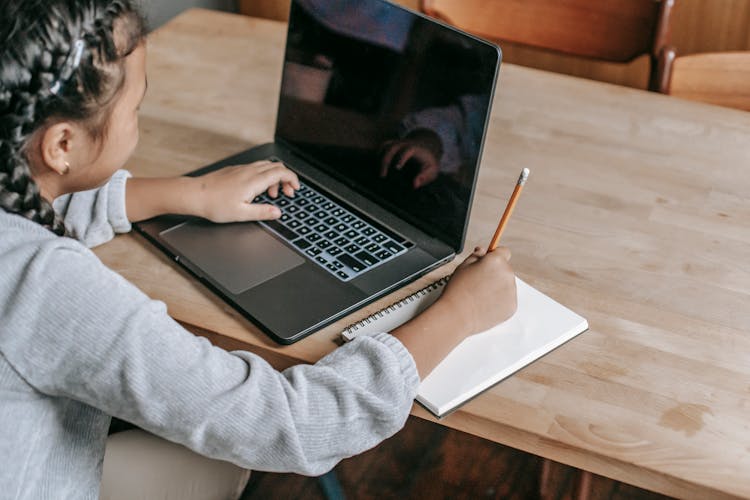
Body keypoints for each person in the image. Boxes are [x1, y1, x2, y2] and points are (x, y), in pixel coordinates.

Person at [0, 1, 517, 499]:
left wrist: (192, 193)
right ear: (62, 145)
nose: (140, 118)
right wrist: (460, 311)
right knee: (222, 463)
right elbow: (291, 424)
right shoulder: (47, 286)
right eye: (135, 107)